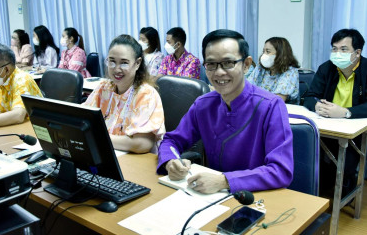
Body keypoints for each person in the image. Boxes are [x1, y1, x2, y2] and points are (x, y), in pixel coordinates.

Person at [157, 29, 293, 194]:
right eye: (211, 64)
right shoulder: (203, 105)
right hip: (210, 197)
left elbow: (281, 170)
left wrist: (225, 181)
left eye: (228, 63)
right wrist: (171, 161)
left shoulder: (271, 106)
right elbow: (171, 140)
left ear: (246, 65)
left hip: (256, 198)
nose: (219, 72)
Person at [304, 28, 367, 197]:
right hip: (326, 125)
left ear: (357, 52)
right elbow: (309, 97)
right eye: (334, 48)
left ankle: (347, 188)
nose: (337, 53)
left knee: (346, 167)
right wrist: (317, 106)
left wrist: (346, 112)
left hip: (355, 130)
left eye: (343, 49)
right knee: (310, 157)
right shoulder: (326, 68)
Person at [84, 34, 165, 153]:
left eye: (124, 63)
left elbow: (142, 144)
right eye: (112, 62)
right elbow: (83, 119)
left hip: (137, 161)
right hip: (109, 153)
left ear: (137, 63)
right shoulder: (103, 88)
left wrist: (99, 138)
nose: (116, 69)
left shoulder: (146, 94)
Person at [0, 43, 43, 128]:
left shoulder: (22, 80)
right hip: (12, 128)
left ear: (6, 69)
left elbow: (18, 115)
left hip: (34, 130)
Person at [247, 37, 300, 104]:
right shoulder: (261, 67)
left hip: (282, 111)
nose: (264, 55)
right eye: (263, 51)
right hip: (258, 107)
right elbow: (247, 88)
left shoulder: (290, 72)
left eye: (268, 52)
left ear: (280, 54)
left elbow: (277, 101)